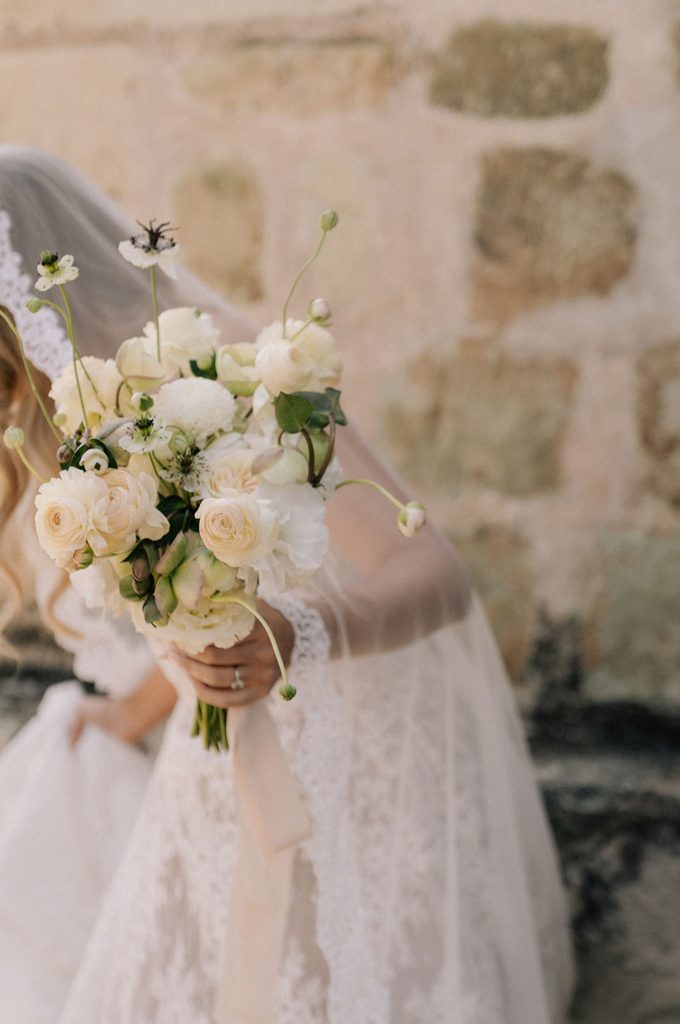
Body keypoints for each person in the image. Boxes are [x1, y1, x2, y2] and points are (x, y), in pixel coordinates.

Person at [2, 147, 574, 1024]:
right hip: (221, 762)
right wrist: (129, 716)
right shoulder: (60, 421)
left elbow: (437, 573)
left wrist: (296, 633)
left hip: (355, 754)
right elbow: (193, 608)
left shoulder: (225, 377)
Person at [0, 144, 248, 1024]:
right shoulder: (45, 413)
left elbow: (219, 599)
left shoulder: (149, 407)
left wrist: (127, 717)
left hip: (201, 733)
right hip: (139, 726)